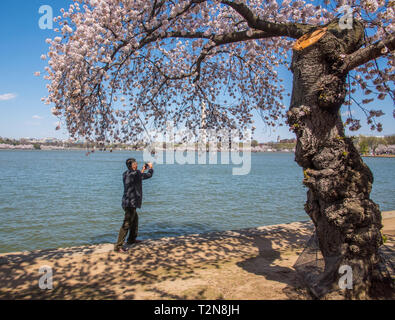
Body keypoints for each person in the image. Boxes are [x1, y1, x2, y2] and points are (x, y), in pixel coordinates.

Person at [114, 158, 154, 253]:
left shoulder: (125, 174)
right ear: (131, 166)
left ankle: (131, 239)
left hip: (126, 202)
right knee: (126, 224)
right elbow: (149, 175)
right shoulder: (137, 174)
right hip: (131, 203)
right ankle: (118, 246)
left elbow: (137, 176)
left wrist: (142, 170)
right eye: (135, 164)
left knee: (135, 220)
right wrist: (151, 168)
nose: (136, 165)